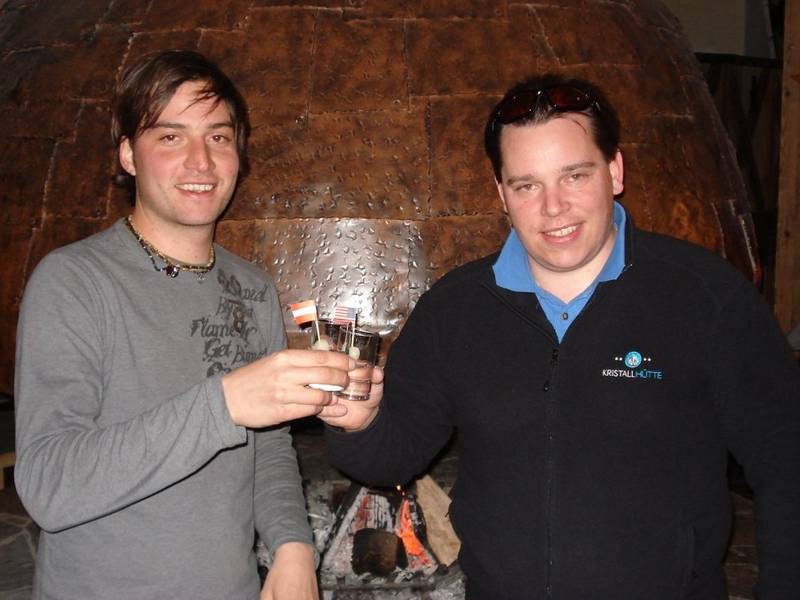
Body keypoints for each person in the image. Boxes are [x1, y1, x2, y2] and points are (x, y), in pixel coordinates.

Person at [321, 74, 800, 599]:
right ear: (501, 193)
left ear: (614, 171)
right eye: (527, 185)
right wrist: (358, 423)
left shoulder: (704, 296)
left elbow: (786, 460)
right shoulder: (455, 308)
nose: (554, 207)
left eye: (574, 176)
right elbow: (392, 458)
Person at [14, 49, 352, 600]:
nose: (201, 161)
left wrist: (293, 549)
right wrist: (224, 403)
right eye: (171, 137)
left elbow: (267, 451)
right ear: (129, 154)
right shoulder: (73, 281)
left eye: (218, 137)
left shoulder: (253, 289)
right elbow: (48, 486)